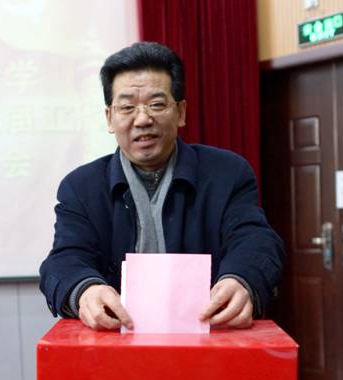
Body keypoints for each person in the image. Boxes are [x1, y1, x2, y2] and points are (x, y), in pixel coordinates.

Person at [39, 41, 284, 331]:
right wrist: (85, 290)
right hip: (116, 342)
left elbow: (255, 240)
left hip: (208, 336)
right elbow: (64, 260)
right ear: (109, 118)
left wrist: (241, 279)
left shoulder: (227, 173)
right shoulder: (81, 187)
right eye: (127, 107)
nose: (143, 119)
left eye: (156, 104)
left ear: (180, 111)